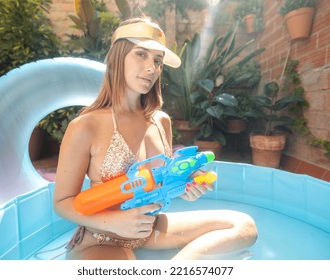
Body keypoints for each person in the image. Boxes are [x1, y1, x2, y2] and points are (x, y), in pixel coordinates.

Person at [53, 17, 258, 260]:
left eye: (158, 61)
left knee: (243, 226)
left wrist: (186, 183)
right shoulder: (86, 126)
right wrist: (114, 222)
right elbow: (63, 202)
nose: (151, 68)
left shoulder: (161, 121)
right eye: (141, 54)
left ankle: (178, 267)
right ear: (118, 57)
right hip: (102, 240)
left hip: (151, 230)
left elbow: (161, 180)